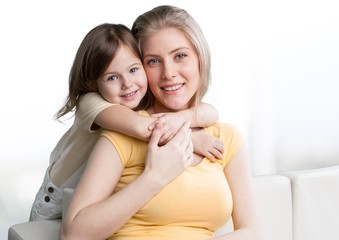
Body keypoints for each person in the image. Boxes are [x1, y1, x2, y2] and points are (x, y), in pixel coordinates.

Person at [61, 5, 262, 240]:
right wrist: (154, 178)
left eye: (180, 56)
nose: (168, 73)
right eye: (154, 61)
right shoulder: (124, 132)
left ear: (200, 58)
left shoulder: (227, 138)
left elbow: (252, 232)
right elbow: (73, 235)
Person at [30, 23, 224, 221]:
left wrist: (182, 118)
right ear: (92, 82)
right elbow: (143, 127)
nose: (127, 84)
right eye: (112, 77)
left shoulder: (136, 101)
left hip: (97, 200)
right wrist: (192, 138)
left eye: (133, 70)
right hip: (56, 203)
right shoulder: (90, 102)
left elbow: (211, 112)